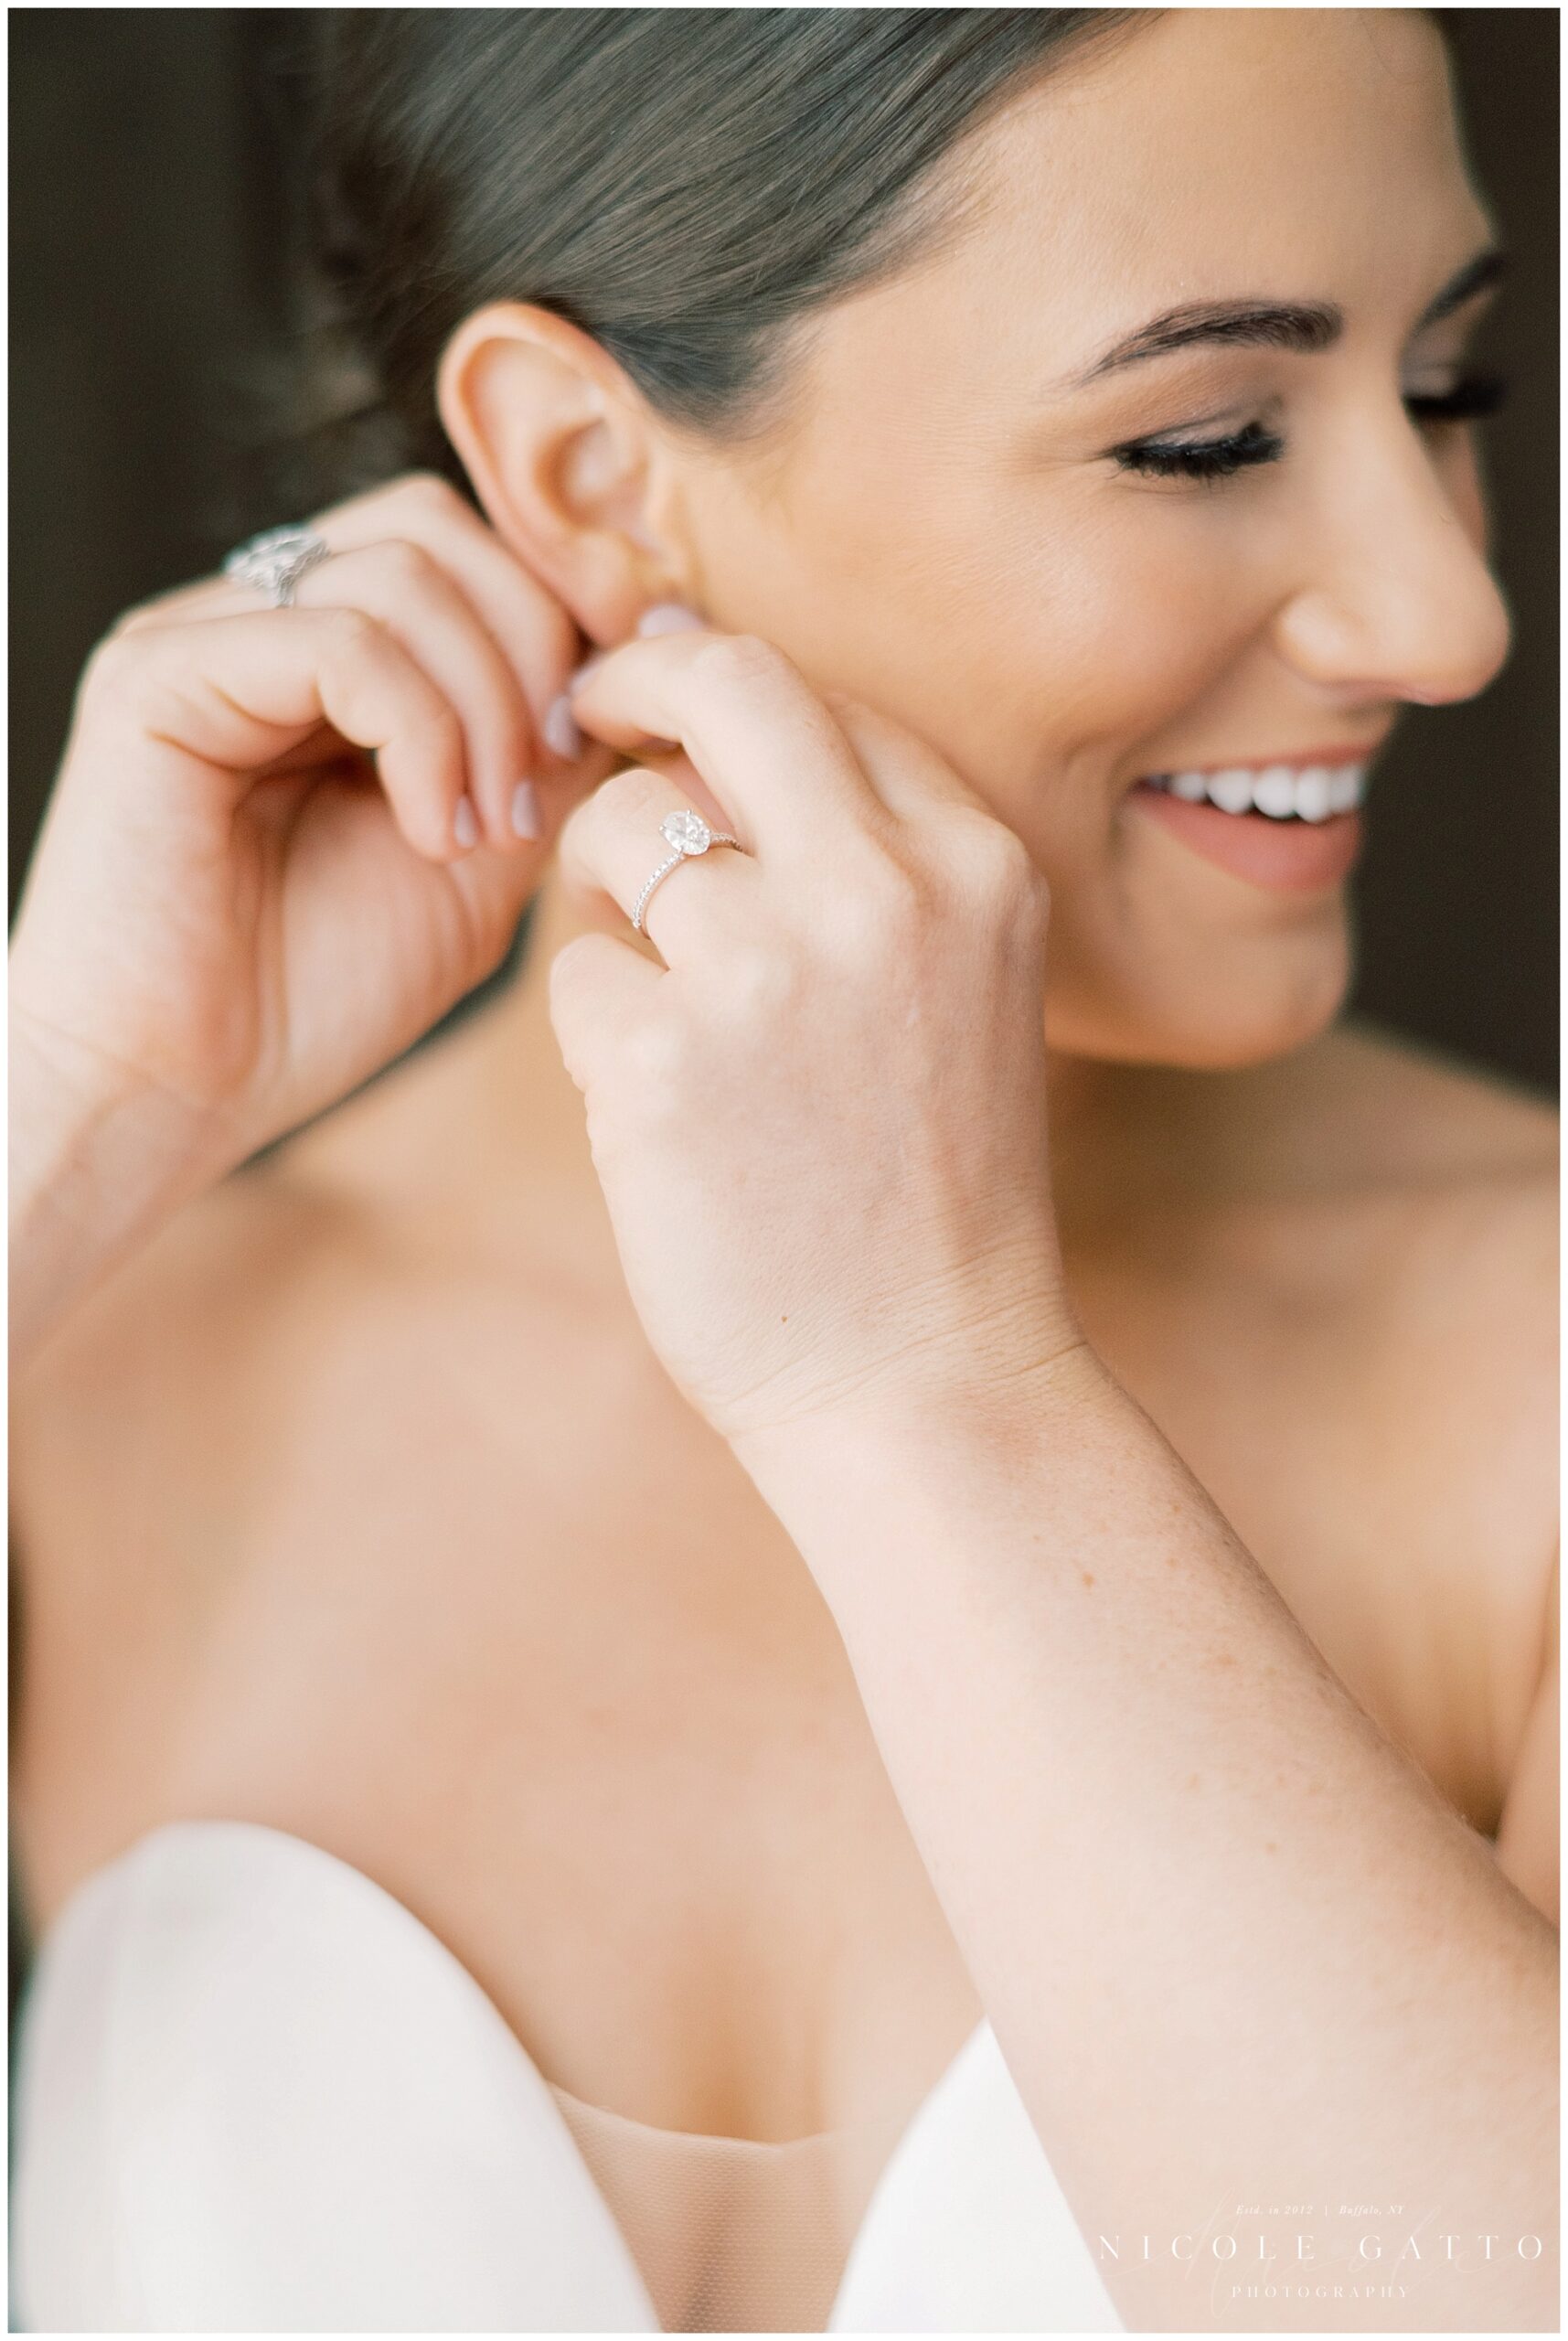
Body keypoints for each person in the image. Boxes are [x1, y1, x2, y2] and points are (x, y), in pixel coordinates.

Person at [8, 8, 1557, 2333]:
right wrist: (68, 1111)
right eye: (1208, 435)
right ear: (589, 473)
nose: (1450, 617)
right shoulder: (105, 1362)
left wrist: (929, 1380)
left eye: (1445, 391)